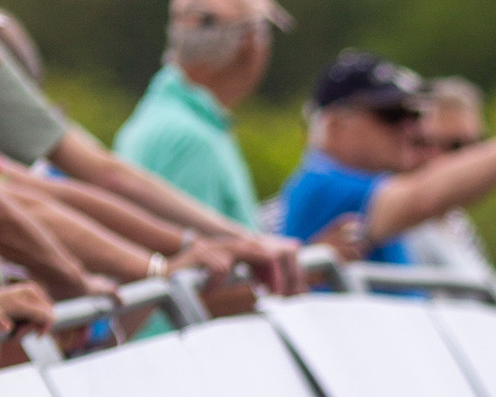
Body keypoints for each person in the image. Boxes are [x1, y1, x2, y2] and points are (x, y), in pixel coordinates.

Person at [0, 21, 297, 296]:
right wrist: (160, 267)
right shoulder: (183, 135)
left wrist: (186, 250)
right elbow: (97, 180)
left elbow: (37, 194)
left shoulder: (182, 122)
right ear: (249, 45)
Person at [278, 51, 496, 265]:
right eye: (392, 116)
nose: (411, 129)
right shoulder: (324, 186)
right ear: (336, 124)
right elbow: (425, 198)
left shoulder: (361, 187)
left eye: (414, 115)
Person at [115, 0, 293, 229]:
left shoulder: (172, 118)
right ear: (249, 44)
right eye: (265, 34)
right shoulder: (190, 139)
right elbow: (208, 262)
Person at [400, 79, 495, 280]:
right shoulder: (400, 218)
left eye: (478, 144)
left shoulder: (455, 219)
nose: (474, 158)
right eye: (456, 146)